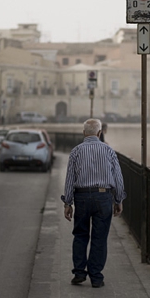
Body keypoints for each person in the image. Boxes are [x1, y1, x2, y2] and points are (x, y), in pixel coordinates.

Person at [61, 119, 126, 288]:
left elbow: (70, 179)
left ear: (84, 133)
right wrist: (118, 200)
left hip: (81, 197)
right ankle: (96, 277)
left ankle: (79, 273)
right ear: (99, 133)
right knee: (99, 238)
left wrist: (67, 203)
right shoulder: (109, 150)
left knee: (80, 235)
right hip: (103, 197)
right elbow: (118, 178)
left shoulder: (76, 151)